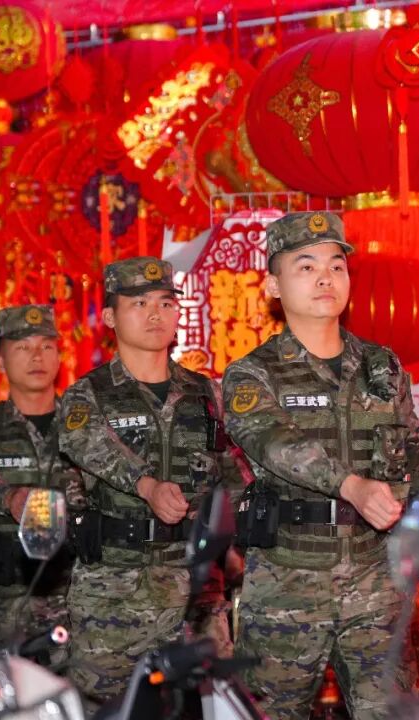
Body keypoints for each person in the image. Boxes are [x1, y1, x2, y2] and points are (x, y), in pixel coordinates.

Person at [222, 212, 419, 720]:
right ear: (273, 286)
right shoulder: (251, 375)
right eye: (306, 266)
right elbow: (273, 442)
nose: (325, 278)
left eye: (336, 266)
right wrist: (350, 485)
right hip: (286, 581)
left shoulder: (381, 366)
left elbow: (416, 457)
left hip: (377, 580)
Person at [58, 256, 240, 702]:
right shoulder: (87, 395)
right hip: (115, 592)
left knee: (216, 707)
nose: (155, 313)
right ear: (109, 317)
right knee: (111, 708)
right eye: (139, 303)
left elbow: (236, 476)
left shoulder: (208, 394)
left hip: (198, 592)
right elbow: (87, 444)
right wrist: (147, 485)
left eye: (165, 303)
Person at [0, 305, 80, 643]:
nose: (37, 356)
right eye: (23, 347)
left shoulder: (84, 427)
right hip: (8, 612)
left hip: (81, 606)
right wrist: (9, 498)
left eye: (46, 346)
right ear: (0, 361)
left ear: (59, 356)